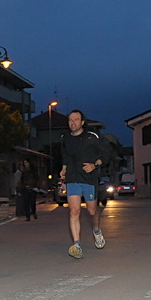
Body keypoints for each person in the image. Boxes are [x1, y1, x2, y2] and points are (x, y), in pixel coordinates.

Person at [60, 109, 106, 258]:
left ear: (82, 122)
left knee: (92, 211)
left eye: (76, 119)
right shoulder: (65, 138)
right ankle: (77, 244)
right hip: (72, 179)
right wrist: (64, 169)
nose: (72, 122)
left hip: (88, 179)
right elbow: (65, 157)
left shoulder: (92, 137)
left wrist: (94, 165)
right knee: (74, 211)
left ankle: (96, 230)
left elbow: (105, 154)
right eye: (70, 120)